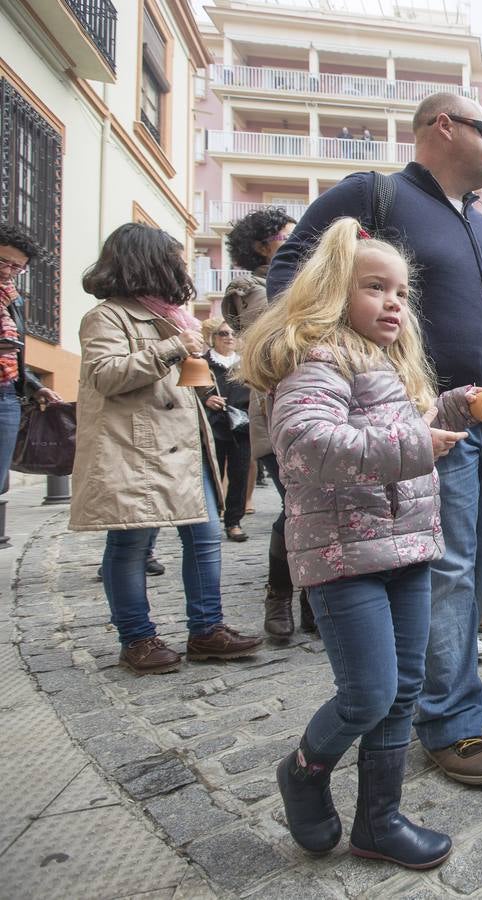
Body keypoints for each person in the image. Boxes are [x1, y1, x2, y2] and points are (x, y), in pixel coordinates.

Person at [269, 92, 482, 786]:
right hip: (425, 422)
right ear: (444, 125)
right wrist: (356, 362)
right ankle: (449, 719)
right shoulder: (373, 194)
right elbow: (291, 277)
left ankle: (449, 680)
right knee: (449, 573)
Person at [243, 217, 461, 870]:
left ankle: (379, 821)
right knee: (367, 692)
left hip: (406, 550)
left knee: (401, 691)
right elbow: (309, 444)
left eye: (400, 291)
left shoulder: (387, 364)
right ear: (336, 292)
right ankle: (306, 770)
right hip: (345, 558)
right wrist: (418, 445)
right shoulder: (320, 356)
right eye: (375, 287)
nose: (394, 301)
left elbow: (394, 433)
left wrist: (449, 411)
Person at [71, 223, 263, 674]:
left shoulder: (173, 315)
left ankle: (207, 630)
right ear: (146, 263)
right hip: (136, 450)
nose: (182, 268)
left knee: (204, 539)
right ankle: (136, 638)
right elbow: (106, 375)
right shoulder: (107, 317)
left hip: (181, 447)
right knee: (130, 542)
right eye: (176, 260)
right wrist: (175, 346)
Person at [222, 206, 303, 636]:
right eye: (287, 236)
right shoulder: (252, 289)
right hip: (275, 413)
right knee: (294, 508)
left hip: (318, 404)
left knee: (317, 508)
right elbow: (273, 338)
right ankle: (279, 595)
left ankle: (313, 600)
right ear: (260, 246)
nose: (297, 241)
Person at [0, 224, 64, 501]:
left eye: (17, 268)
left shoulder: (12, 299)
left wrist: (35, 386)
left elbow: (15, 354)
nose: (8, 271)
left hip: (7, 395)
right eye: (3, 262)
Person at [199, 318, 251, 542]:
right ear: (214, 338)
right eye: (223, 333)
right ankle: (210, 518)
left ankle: (233, 522)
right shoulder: (203, 363)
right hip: (214, 426)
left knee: (239, 475)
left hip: (242, 426)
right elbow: (189, 390)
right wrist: (206, 398)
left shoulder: (246, 363)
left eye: (232, 333)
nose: (229, 337)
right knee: (212, 475)